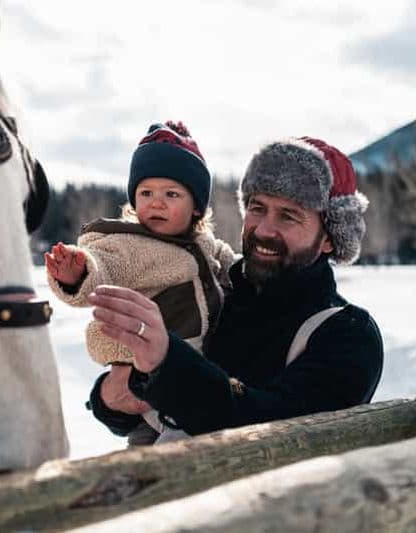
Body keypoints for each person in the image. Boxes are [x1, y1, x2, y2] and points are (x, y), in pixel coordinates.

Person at [86, 136, 384, 437]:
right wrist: (108, 397)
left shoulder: (348, 334)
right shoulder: (216, 290)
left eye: (288, 215)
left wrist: (165, 365)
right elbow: (133, 410)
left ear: (330, 238)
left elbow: (274, 428)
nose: (265, 229)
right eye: (257, 208)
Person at [45, 121, 235, 445]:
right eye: (146, 193)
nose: (156, 202)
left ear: (197, 207)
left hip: (196, 366)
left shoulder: (205, 244)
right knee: (158, 441)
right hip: (147, 371)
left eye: (171, 194)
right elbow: (102, 268)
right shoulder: (127, 245)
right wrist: (78, 272)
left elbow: (229, 263)